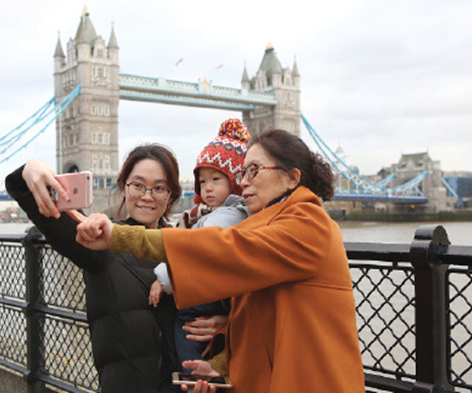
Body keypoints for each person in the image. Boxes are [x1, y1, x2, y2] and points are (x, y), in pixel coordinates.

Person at [72, 128, 366, 393]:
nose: (243, 183)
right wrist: (222, 362)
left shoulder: (308, 225)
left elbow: (220, 247)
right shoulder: (265, 225)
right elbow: (269, 318)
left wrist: (118, 237)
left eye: (254, 170)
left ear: (292, 177)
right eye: (242, 174)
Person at [5, 144, 184, 393]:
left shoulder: (185, 247)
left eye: (159, 188)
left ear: (172, 195)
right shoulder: (101, 239)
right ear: (123, 187)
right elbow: (59, 221)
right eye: (138, 185)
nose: (147, 195)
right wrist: (30, 170)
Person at [149, 119, 250, 372]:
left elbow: (194, 249)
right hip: (210, 297)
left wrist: (162, 279)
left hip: (206, 297)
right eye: (202, 181)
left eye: (216, 179)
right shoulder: (205, 213)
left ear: (235, 182)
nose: (207, 188)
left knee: (188, 343)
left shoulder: (230, 214)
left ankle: (192, 378)